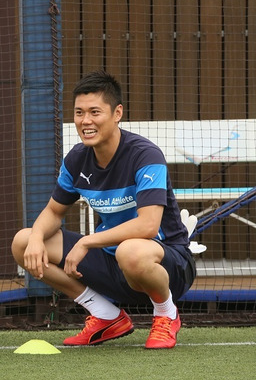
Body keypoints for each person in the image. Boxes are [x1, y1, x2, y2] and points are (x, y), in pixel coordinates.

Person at [11, 70, 196, 349]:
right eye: (79, 112)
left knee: (131, 250)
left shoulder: (145, 155)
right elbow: (53, 211)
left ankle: (166, 314)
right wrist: (37, 239)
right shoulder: (76, 159)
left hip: (166, 263)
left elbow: (147, 226)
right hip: (111, 262)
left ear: (117, 113)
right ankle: (105, 314)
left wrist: (87, 241)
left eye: (95, 112)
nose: (86, 121)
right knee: (23, 242)